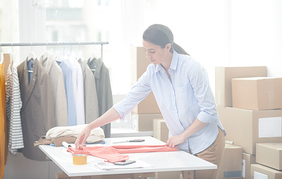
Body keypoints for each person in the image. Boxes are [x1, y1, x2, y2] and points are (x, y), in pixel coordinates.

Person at [75, 24, 226, 179]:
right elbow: (126, 104)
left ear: (167, 47)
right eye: (145, 50)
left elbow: (209, 110)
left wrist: (183, 136)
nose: (148, 55)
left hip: (206, 141)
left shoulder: (192, 68)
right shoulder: (152, 73)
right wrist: (91, 126)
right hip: (181, 145)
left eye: (152, 51)